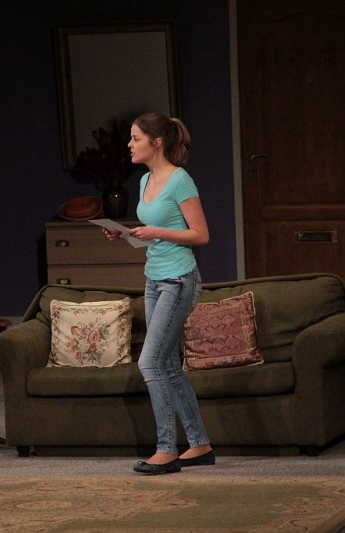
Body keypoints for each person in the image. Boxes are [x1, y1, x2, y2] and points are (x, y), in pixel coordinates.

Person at [103, 112, 214, 474]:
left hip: (179, 280)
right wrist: (127, 234)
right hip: (153, 279)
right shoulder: (145, 180)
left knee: (149, 363)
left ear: (157, 142)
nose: (130, 145)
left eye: (135, 138)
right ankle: (200, 444)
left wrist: (156, 232)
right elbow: (155, 232)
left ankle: (166, 449)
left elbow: (200, 235)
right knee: (166, 364)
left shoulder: (180, 180)